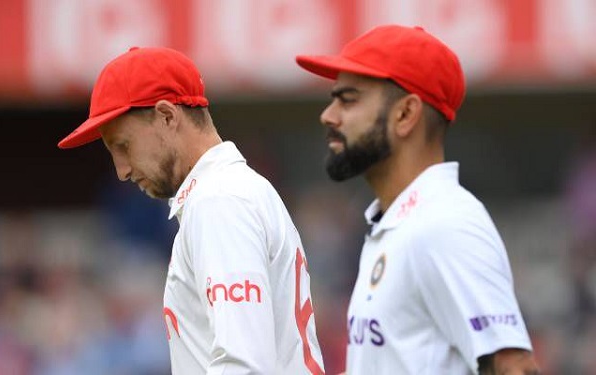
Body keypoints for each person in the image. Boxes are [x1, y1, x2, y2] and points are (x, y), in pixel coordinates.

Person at [58, 46, 325, 375]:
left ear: (168, 116)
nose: (121, 171)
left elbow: (244, 365)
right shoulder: (230, 191)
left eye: (123, 146)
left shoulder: (219, 200)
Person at [296, 25, 540, 374]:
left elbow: (515, 367)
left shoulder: (445, 223)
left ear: (406, 114)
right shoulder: (400, 223)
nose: (329, 115)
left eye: (348, 99)